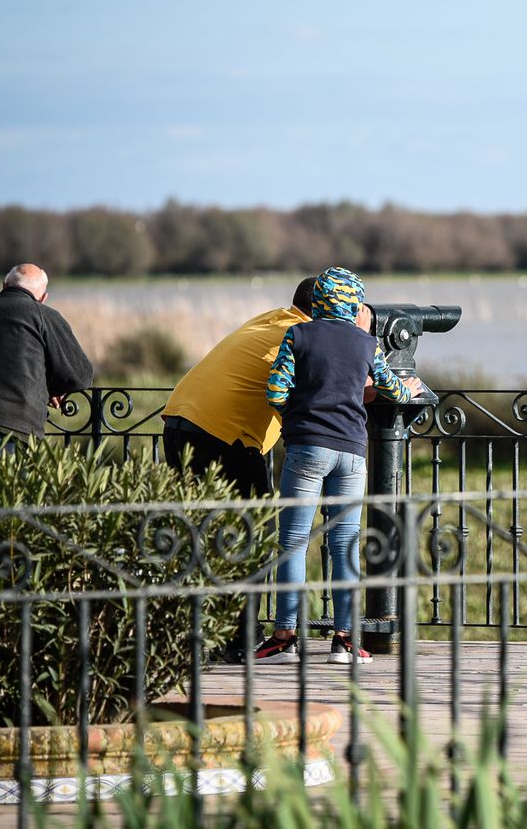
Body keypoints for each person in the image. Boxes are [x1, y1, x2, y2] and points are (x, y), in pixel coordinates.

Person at [254, 267, 422, 666]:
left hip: (307, 448)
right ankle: (345, 641)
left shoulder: (297, 335)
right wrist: (410, 389)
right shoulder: (366, 344)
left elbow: (275, 392)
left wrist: (298, 412)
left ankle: (284, 638)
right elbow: (390, 388)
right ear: (353, 303)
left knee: (294, 541)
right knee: (344, 544)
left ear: (319, 301)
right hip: (352, 452)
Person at [160, 276, 320, 497]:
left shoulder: (272, 318)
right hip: (221, 435)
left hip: (177, 420)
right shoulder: (306, 336)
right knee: (256, 523)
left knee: (196, 524)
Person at [0, 263, 94, 451]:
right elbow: (82, 375)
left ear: (4, 286)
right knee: (6, 481)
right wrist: (50, 388)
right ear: (43, 298)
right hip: (12, 426)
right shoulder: (43, 314)